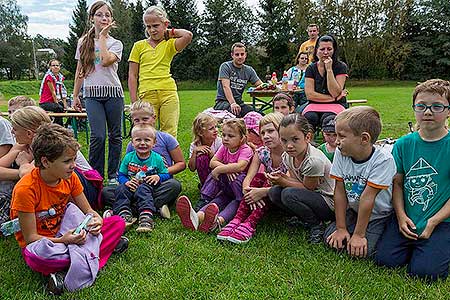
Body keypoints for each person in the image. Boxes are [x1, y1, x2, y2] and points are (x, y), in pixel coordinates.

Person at [10, 124, 126, 295]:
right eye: (67, 161)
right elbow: (30, 239)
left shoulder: (70, 178)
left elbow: (89, 212)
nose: (73, 166)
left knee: (117, 223)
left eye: (73, 159)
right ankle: (94, 252)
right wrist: (65, 241)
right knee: (37, 256)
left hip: (69, 231)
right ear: (45, 162)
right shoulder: (26, 189)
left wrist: (97, 221)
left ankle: (66, 271)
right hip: (48, 243)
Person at [375, 79, 450, 281]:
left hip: (442, 220)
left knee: (426, 274)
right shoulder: (403, 144)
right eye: (421, 106)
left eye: (437, 106)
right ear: (414, 109)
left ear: (448, 111)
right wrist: (400, 216)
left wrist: (433, 222)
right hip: (407, 217)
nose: (428, 112)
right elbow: (397, 183)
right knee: (385, 261)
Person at [325, 106, 396, 258]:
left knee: (364, 251)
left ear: (364, 139)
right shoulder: (342, 152)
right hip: (355, 210)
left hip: (378, 215)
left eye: (341, 136)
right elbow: (339, 190)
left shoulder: (383, 160)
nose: (336, 141)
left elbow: (368, 198)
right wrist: (341, 228)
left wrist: (358, 235)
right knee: (331, 238)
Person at [103, 101, 186, 219]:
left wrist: (160, 175)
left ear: (153, 118)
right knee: (106, 192)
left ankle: (127, 208)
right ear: (132, 121)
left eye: (145, 119)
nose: (141, 122)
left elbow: (181, 164)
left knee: (174, 185)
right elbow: (126, 170)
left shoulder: (166, 138)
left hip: (158, 184)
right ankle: (152, 207)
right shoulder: (133, 144)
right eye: (137, 120)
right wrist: (128, 182)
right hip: (135, 185)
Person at [72, 0, 124, 185]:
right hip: (92, 95)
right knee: (98, 136)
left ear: (112, 19)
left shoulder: (116, 43)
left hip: (113, 94)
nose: (104, 17)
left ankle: (113, 175)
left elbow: (105, 61)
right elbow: (80, 70)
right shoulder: (82, 42)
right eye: (99, 14)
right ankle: (95, 176)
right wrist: (75, 95)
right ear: (91, 18)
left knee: (115, 135)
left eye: (107, 15)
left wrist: (102, 37)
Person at [217, 113, 287, 243]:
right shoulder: (262, 152)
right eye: (263, 133)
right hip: (264, 195)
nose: (266, 136)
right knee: (258, 178)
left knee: (267, 180)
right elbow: (249, 176)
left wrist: (260, 192)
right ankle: (237, 219)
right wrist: (248, 190)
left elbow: (287, 182)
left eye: (271, 131)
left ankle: (250, 223)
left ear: (282, 131)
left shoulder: (289, 152)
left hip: (282, 195)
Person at [176, 118, 253, 233]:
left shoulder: (245, 149)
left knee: (236, 202)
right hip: (226, 189)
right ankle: (196, 217)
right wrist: (226, 170)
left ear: (242, 138)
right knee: (219, 200)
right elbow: (213, 162)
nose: (225, 139)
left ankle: (217, 221)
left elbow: (240, 166)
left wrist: (220, 169)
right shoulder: (224, 147)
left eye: (230, 136)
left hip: (240, 191)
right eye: (224, 135)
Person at [268, 113, 335, 243]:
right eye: (284, 140)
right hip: (312, 195)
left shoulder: (313, 161)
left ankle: (316, 225)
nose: (289, 145)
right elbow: (296, 180)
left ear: (307, 137)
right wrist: (282, 178)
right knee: (275, 191)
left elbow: (308, 188)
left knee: (288, 194)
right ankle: (302, 217)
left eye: (295, 139)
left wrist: (283, 181)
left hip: (329, 201)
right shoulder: (288, 155)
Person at [128, 5, 192, 138]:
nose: (151, 30)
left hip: (168, 92)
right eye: (148, 26)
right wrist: (134, 102)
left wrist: (168, 33)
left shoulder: (170, 44)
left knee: (169, 132)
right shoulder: (139, 46)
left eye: (155, 25)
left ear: (165, 24)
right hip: (147, 94)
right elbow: (132, 75)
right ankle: (148, 159)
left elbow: (187, 35)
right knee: (145, 132)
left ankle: (167, 159)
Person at [113, 125, 169, 233]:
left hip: (149, 189)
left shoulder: (157, 158)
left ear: (154, 143)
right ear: (132, 143)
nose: (142, 143)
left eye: (147, 140)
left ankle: (146, 216)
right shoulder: (128, 157)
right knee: (113, 190)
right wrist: (126, 182)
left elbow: (166, 174)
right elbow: (120, 175)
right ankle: (125, 214)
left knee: (173, 185)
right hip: (130, 188)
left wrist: (158, 177)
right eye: (138, 140)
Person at [303, 35, 348, 130]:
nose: (326, 52)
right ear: (317, 51)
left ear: (334, 50)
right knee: (309, 118)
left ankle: (330, 143)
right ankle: (309, 142)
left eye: (329, 49)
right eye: (322, 49)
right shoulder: (311, 68)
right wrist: (334, 98)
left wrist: (329, 70)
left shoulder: (341, 67)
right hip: (314, 105)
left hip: (336, 106)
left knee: (328, 119)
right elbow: (310, 95)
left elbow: (335, 92)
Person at [214, 42, 263, 117]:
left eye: (242, 54)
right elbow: (225, 86)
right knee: (237, 117)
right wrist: (233, 103)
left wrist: (272, 85)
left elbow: (260, 85)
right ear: (232, 55)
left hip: (239, 103)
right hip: (223, 103)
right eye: (237, 54)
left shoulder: (249, 70)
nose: (240, 57)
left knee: (258, 116)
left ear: (245, 55)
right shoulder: (225, 66)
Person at [188, 113, 222, 187]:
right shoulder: (195, 145)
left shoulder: (220, 142)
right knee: (202, 158)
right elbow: (192, 168)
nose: (215, 130)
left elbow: (224, 162)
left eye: (216, 127)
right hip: (205, 175)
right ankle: (206, 186)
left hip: (219, 173)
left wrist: (211, 155)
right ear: (200, 132)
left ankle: (216, 187)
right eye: (211, 128)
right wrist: (194, 152)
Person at [38, 59, 67, 126]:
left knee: (63, 107)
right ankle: (57, 126)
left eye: (57, 65)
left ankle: (59, 125)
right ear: (50, 67)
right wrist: (58, 104)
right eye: (53, 65)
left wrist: (65, 104)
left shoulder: (60, 77)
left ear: (59, 67)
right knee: (59, 108)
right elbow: (53, 92)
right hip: (45, 102)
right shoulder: (49, 77)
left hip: (53, 101)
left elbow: (63, 92)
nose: (55, 67)